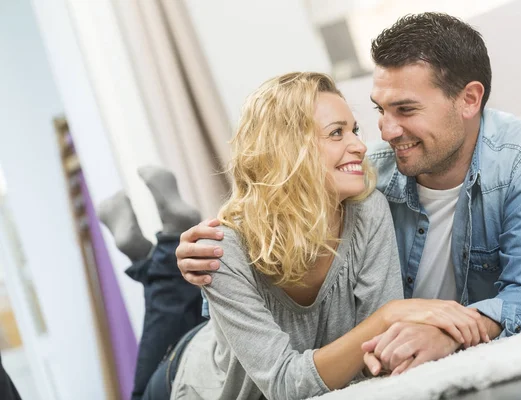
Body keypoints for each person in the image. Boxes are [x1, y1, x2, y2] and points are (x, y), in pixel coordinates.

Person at [175, 12, 521, 376]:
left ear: (469, 99)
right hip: (213, 364)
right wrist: (205, 259)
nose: (382, 133)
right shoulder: (370, 173)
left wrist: (452, 334)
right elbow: (277, 202)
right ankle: (161, 253)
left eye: (405, 110)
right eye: (380, 110)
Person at [105, 72, 488, 400]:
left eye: (354, 129)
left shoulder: (367, 209)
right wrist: (389, 316)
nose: (359, 144)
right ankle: (156, 251)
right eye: (336, 133)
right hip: (194, 381)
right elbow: (285, 385)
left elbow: (375, 357)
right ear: (289, 150)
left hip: (231, 339)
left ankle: (152, 249)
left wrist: (388, 335)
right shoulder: (226, 248)